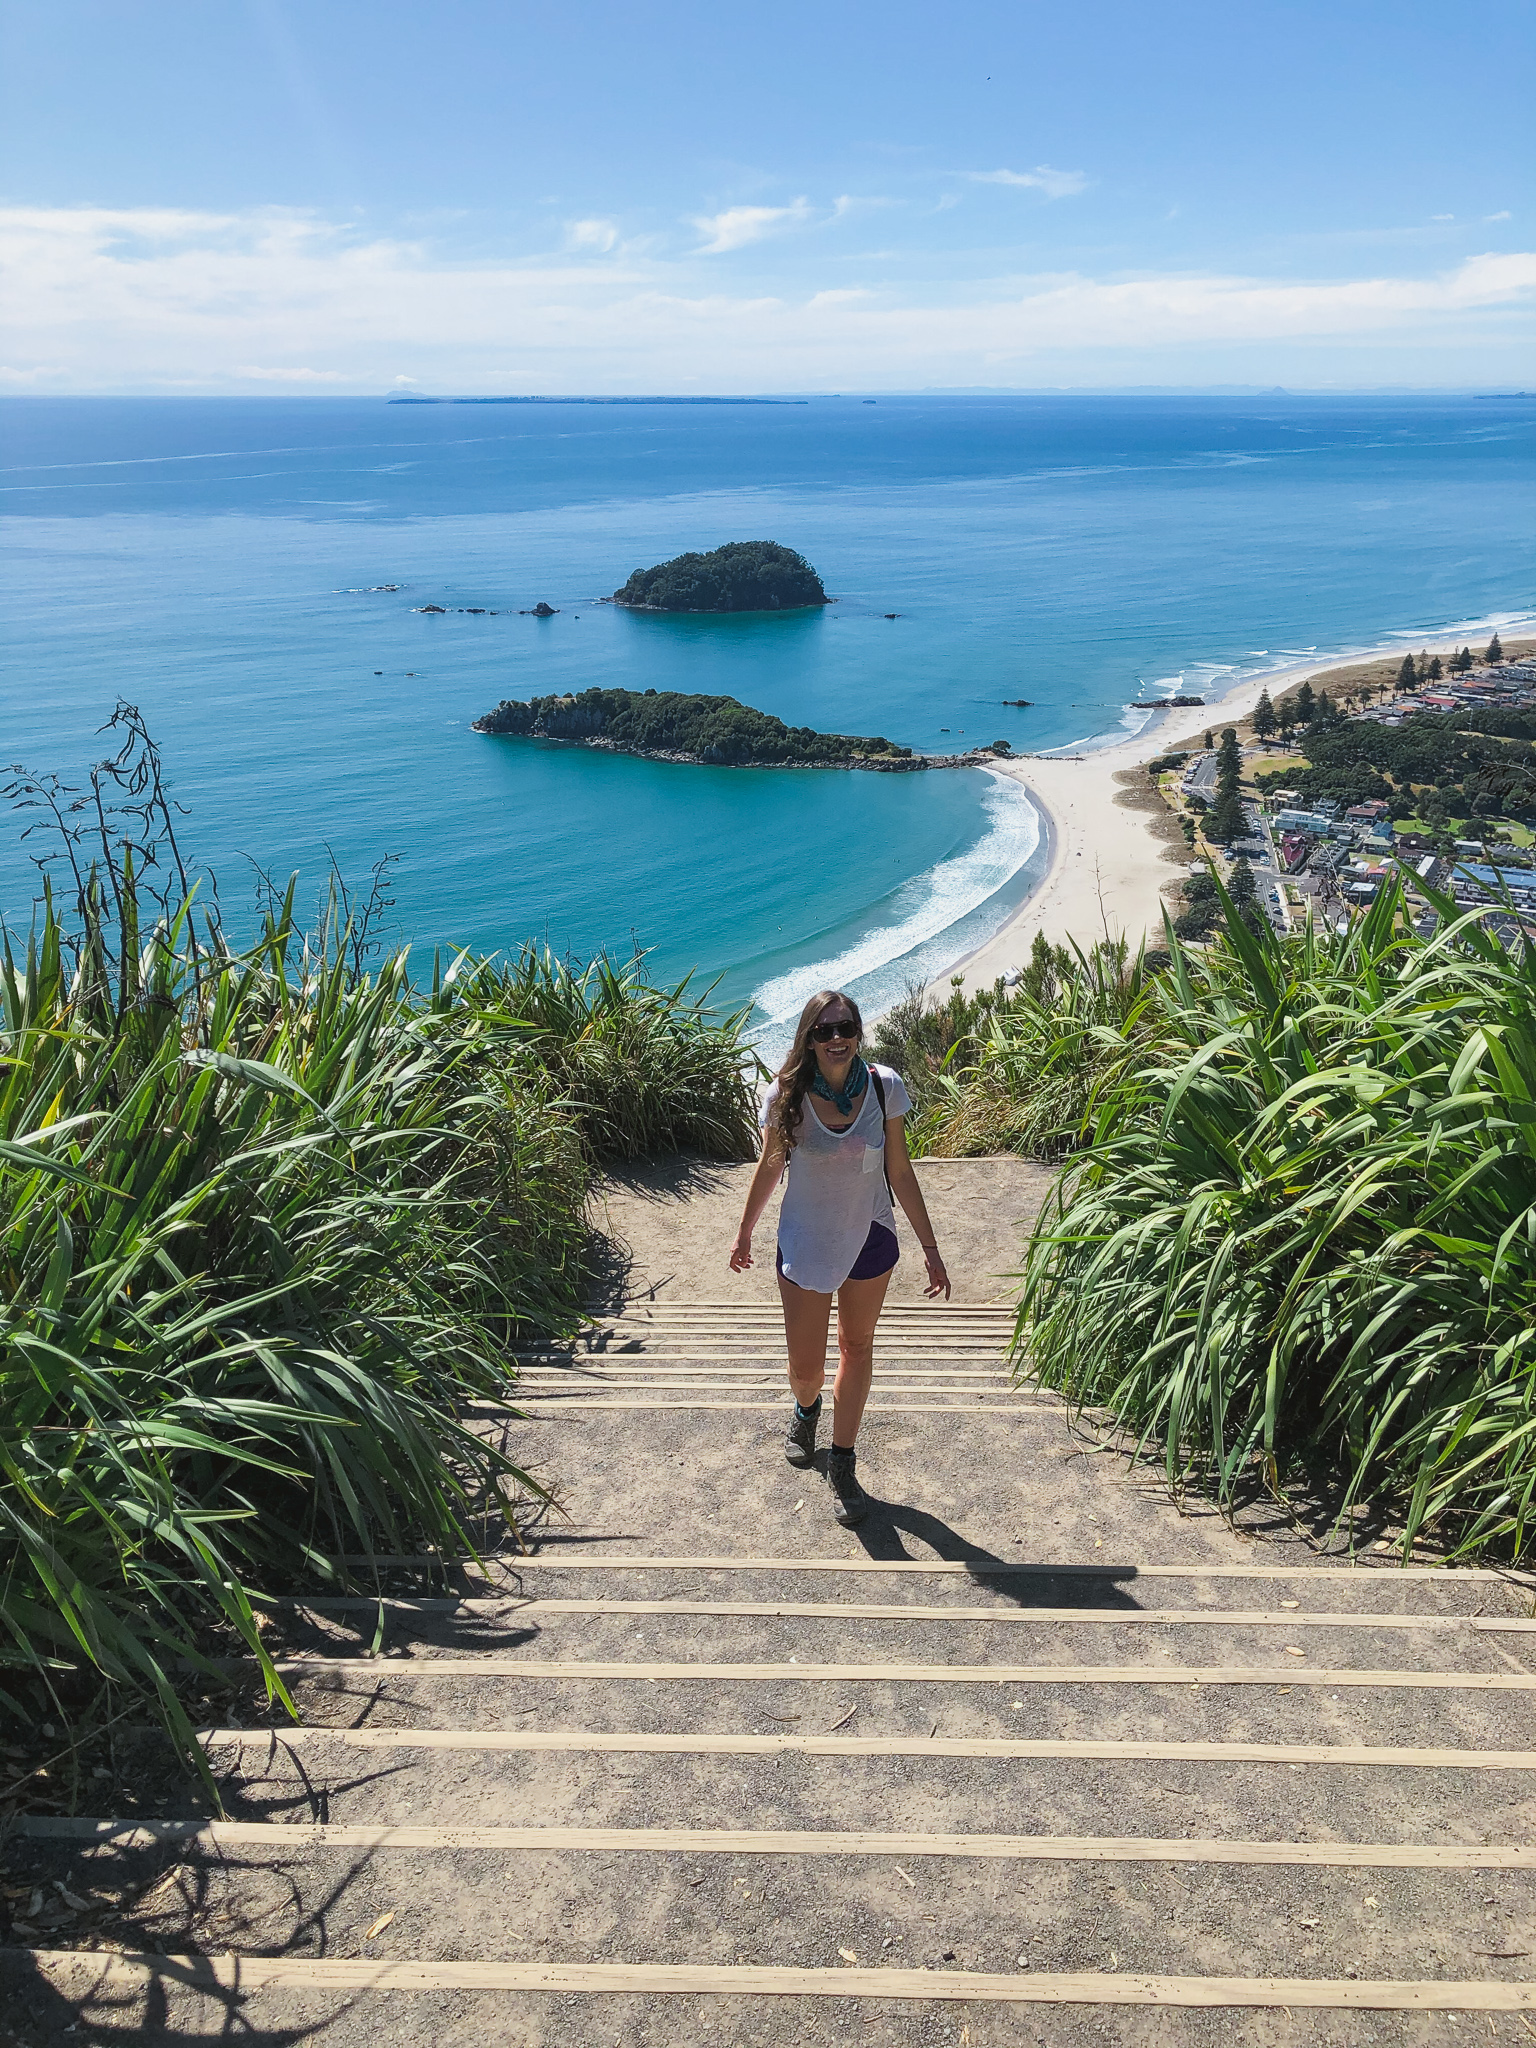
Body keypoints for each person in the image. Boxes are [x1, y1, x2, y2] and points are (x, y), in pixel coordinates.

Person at [729, 989, 950, 1526]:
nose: (836, 1038)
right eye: (824, 1030)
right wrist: (744, 1233)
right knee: (806, 1368)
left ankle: (844, 1462)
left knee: (856, 1345)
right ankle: (807, 1411)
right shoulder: (785, 1094)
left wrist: (930, 1248)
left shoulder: (884, 1086)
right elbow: (769, 1166)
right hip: (806, 1239)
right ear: (808, 1036)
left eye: (844, 1027)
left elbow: (900, 1171)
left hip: (870, 1235)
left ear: (857, 1031)